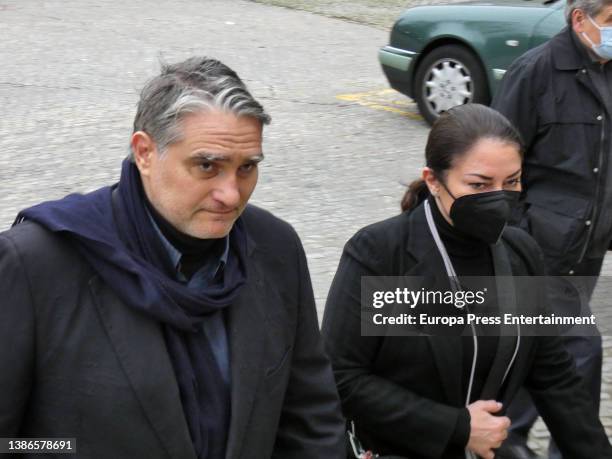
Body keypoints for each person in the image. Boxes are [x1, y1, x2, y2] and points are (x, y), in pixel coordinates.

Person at [0, 56, 345, 459]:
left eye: (247, 167)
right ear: (145, 153)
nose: (231, 194)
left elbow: (310, 419)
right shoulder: (36, 263)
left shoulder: (275, 248)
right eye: (206, 165)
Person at [321, 104, 612, 459]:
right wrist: (456, 427)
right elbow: (342, 377)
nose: (499, 198)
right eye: (479, 184)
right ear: (433, 180)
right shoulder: (382, 253)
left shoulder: (521, 254)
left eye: (512, 182)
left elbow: (554, 376)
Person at [491, 0, 612, 456]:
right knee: (579, 350)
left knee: (534, 351)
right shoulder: (535, 72)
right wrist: (517, 238)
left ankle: (506, 439)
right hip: (537, 250)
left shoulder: (607, 71)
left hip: (586, 249)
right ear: (581, 19)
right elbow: (496, 165)